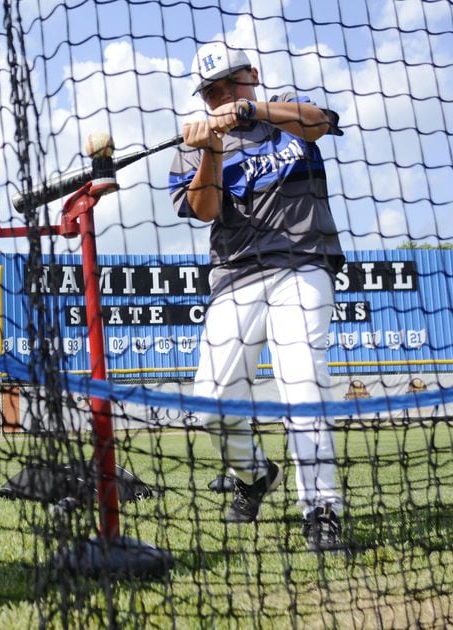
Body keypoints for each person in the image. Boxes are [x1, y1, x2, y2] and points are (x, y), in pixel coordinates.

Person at [167, 42, 348, 553]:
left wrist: (252, 109)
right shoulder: (193, 143)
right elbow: (204, 211)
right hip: (235, 275)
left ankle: (322, 510)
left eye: (230, 85)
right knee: (210, 403)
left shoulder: (285, 109)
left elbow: (320, 121)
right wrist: (211, 148)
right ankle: (254, 473)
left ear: (253, 75)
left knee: (302, 382)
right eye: (212, 92)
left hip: (303, 260)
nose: (221, 97)